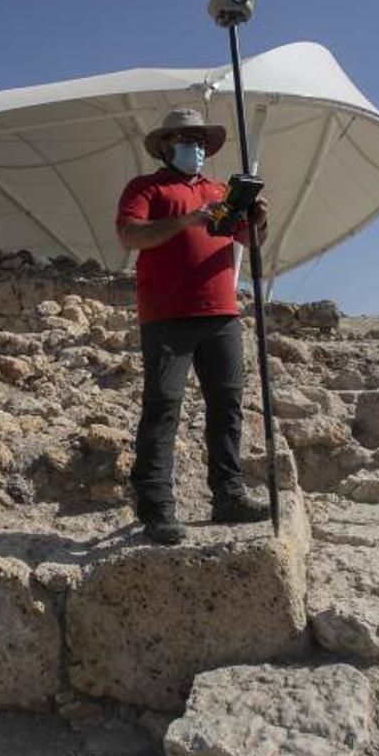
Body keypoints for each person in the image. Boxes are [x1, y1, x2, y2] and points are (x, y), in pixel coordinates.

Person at [115, 108, 270, 545]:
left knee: (227, 406)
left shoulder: (219, 191)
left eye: (200, 141)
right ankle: (156, 507)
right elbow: (131, 234)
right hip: (167, 314)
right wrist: (186, 219)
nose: (195, 148)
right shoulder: (146, 188)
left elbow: (248, 241)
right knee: (163, 406)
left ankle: (228, 494)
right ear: (166, 145)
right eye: (186, 140)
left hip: (221, 313)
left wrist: (257, 219)